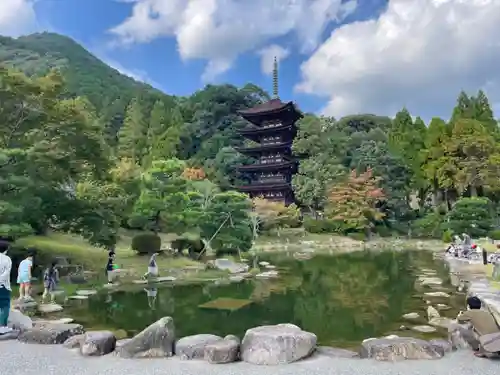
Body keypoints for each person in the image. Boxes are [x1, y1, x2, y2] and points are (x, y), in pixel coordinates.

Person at [0, 247, 13, 333]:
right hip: (3, 285)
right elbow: (6, 273)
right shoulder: (7, 259)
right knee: (5, 305)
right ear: (6, 249)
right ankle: (2, 326)